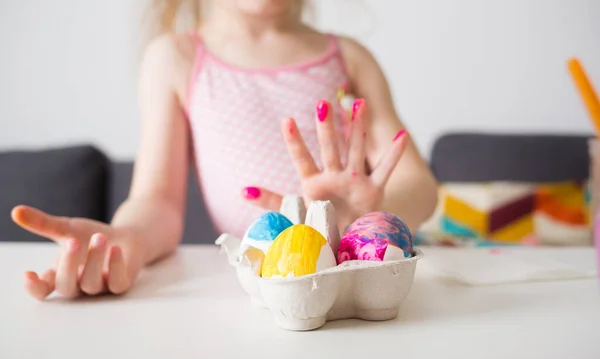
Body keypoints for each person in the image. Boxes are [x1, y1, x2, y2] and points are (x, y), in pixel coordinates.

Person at [11, 0, 438, 301]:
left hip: (354, 283)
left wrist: (362, 216)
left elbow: (419, 187)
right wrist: (126, 241)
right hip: (260, 298)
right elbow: (156, 202)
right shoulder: (174, 58)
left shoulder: (349, 58)